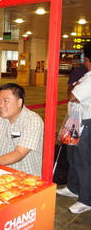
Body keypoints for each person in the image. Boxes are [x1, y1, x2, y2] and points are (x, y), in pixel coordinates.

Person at [56, 42, 91, 214]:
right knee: (72, 155)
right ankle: (73, 187)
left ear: (87, 57)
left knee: (83, 160)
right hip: (76, 121)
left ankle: (86, 199)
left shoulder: (90, 78)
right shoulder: (87, 75)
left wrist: (73, 87)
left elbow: (72, 95)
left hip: (85, 122)